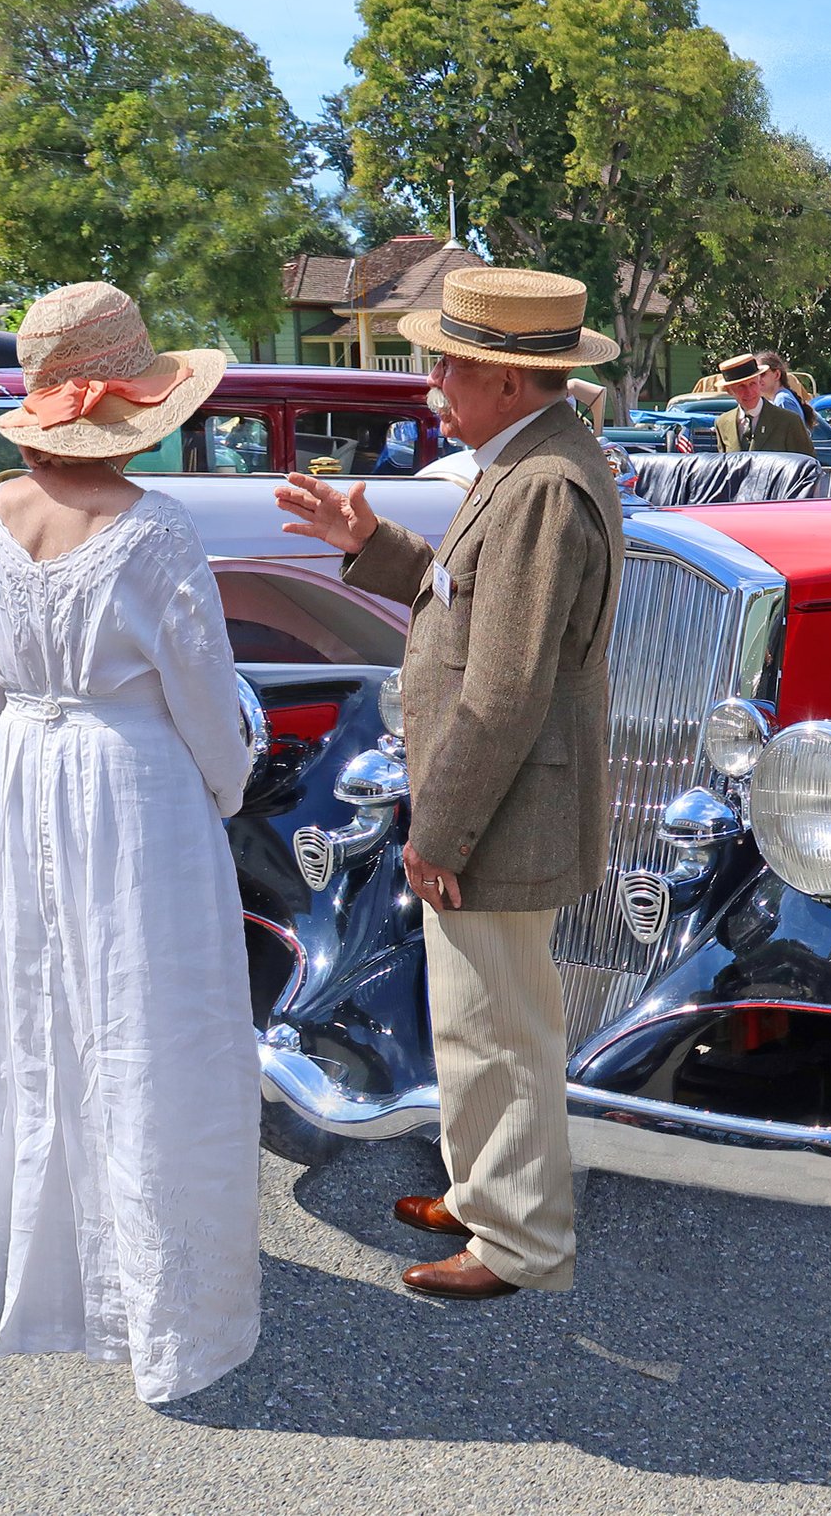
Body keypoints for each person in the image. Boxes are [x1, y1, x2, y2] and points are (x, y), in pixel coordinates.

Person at [275, 267, 624, 1300]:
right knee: (485, 1018)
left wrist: (444, 830)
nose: (431, 380)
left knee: (500, 1026)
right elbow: (466, 598)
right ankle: (488, 1194)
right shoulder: (529, 465)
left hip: (503, 812)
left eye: (449, 361)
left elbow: (507, 685)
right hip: (504, 806)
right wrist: (370, 544)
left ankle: (517, 1240)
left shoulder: (540, 485)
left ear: (512, 381)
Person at [0, 282, 259, 1403]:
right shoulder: (158, 526)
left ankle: (51, 1280)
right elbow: (201, 693)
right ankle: (170, 1305)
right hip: (137, 785)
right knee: (153, 1027)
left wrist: (30, 747)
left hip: (28, 769)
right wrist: (224, 790)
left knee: (42, 1018)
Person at [711, 350, 816, 457]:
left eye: (752, 384)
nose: (749, 392)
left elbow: (807, 466)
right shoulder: (723, 423)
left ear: (759, 382)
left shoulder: (788, 421)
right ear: (730, 391)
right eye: (741, 387)